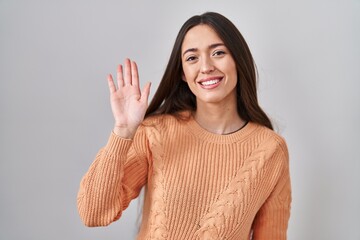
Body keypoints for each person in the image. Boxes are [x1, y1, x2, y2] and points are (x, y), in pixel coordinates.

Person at [77, 12, 291, 239]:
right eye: (192, 58)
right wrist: (123, 131)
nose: (206, 66)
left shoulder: (270, 150)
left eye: (218, 53)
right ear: (182, 73)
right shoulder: (155, 132)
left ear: (238, 60)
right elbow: (93, 213)